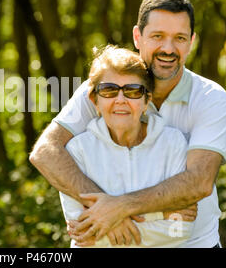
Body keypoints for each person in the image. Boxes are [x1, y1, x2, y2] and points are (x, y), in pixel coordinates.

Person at [29, 0, 226, 248]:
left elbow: (199, 181)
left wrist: (119, 208)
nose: (168, 49)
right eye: (158, 36)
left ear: (191, 42)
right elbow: (46, 151)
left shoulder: (210, 98)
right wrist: (107, 210)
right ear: (138, 36)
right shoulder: (106, 89)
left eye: (179, 38)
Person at [60, 45, 195, 248]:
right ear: (94, 100)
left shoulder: (173, 143)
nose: (120, 100)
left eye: (132, 91)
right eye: (109, 90)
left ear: (146, 100)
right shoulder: (77, 151)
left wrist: (111, 220)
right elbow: (84, 237)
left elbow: (180, 230)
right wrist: (161, 214)